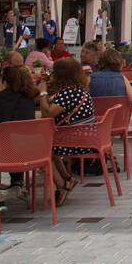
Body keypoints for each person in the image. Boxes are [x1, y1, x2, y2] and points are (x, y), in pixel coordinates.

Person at [0, 63, 40, 221]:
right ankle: (17, 182)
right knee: (13, 142)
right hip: (29, 153)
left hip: (2, 154)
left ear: (4, 82)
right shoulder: (29, 100)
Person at [39, 57, 96, 205]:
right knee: (50, 148)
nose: (50, 75)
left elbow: (48, 113)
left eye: (53, 72)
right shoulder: (78, 91)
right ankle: (68, 179)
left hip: (75, 139)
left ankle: (62, 185)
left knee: (42, 152)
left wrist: (42, 93)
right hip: (85, 136)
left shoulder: (68, 93)